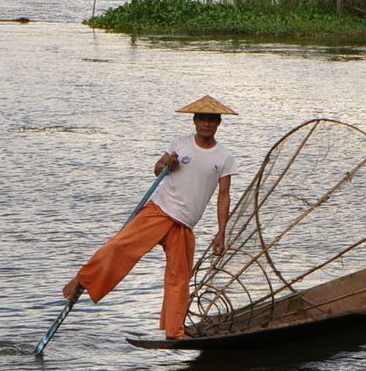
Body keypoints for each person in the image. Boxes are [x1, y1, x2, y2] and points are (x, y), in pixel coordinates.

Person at [62, 96, 237, 340]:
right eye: (202, 119)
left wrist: (221, 232)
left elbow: (224, 195)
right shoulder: (180, 144)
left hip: (185, 223)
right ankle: (83, 279)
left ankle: (174, 330)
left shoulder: (224, 157)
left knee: (179, 277)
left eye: (211, 119)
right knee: (120, 246)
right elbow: (158, 169)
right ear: (195, 121)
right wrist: (167, 162)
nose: (206, 124)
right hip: (160, 210)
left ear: (218, 123)